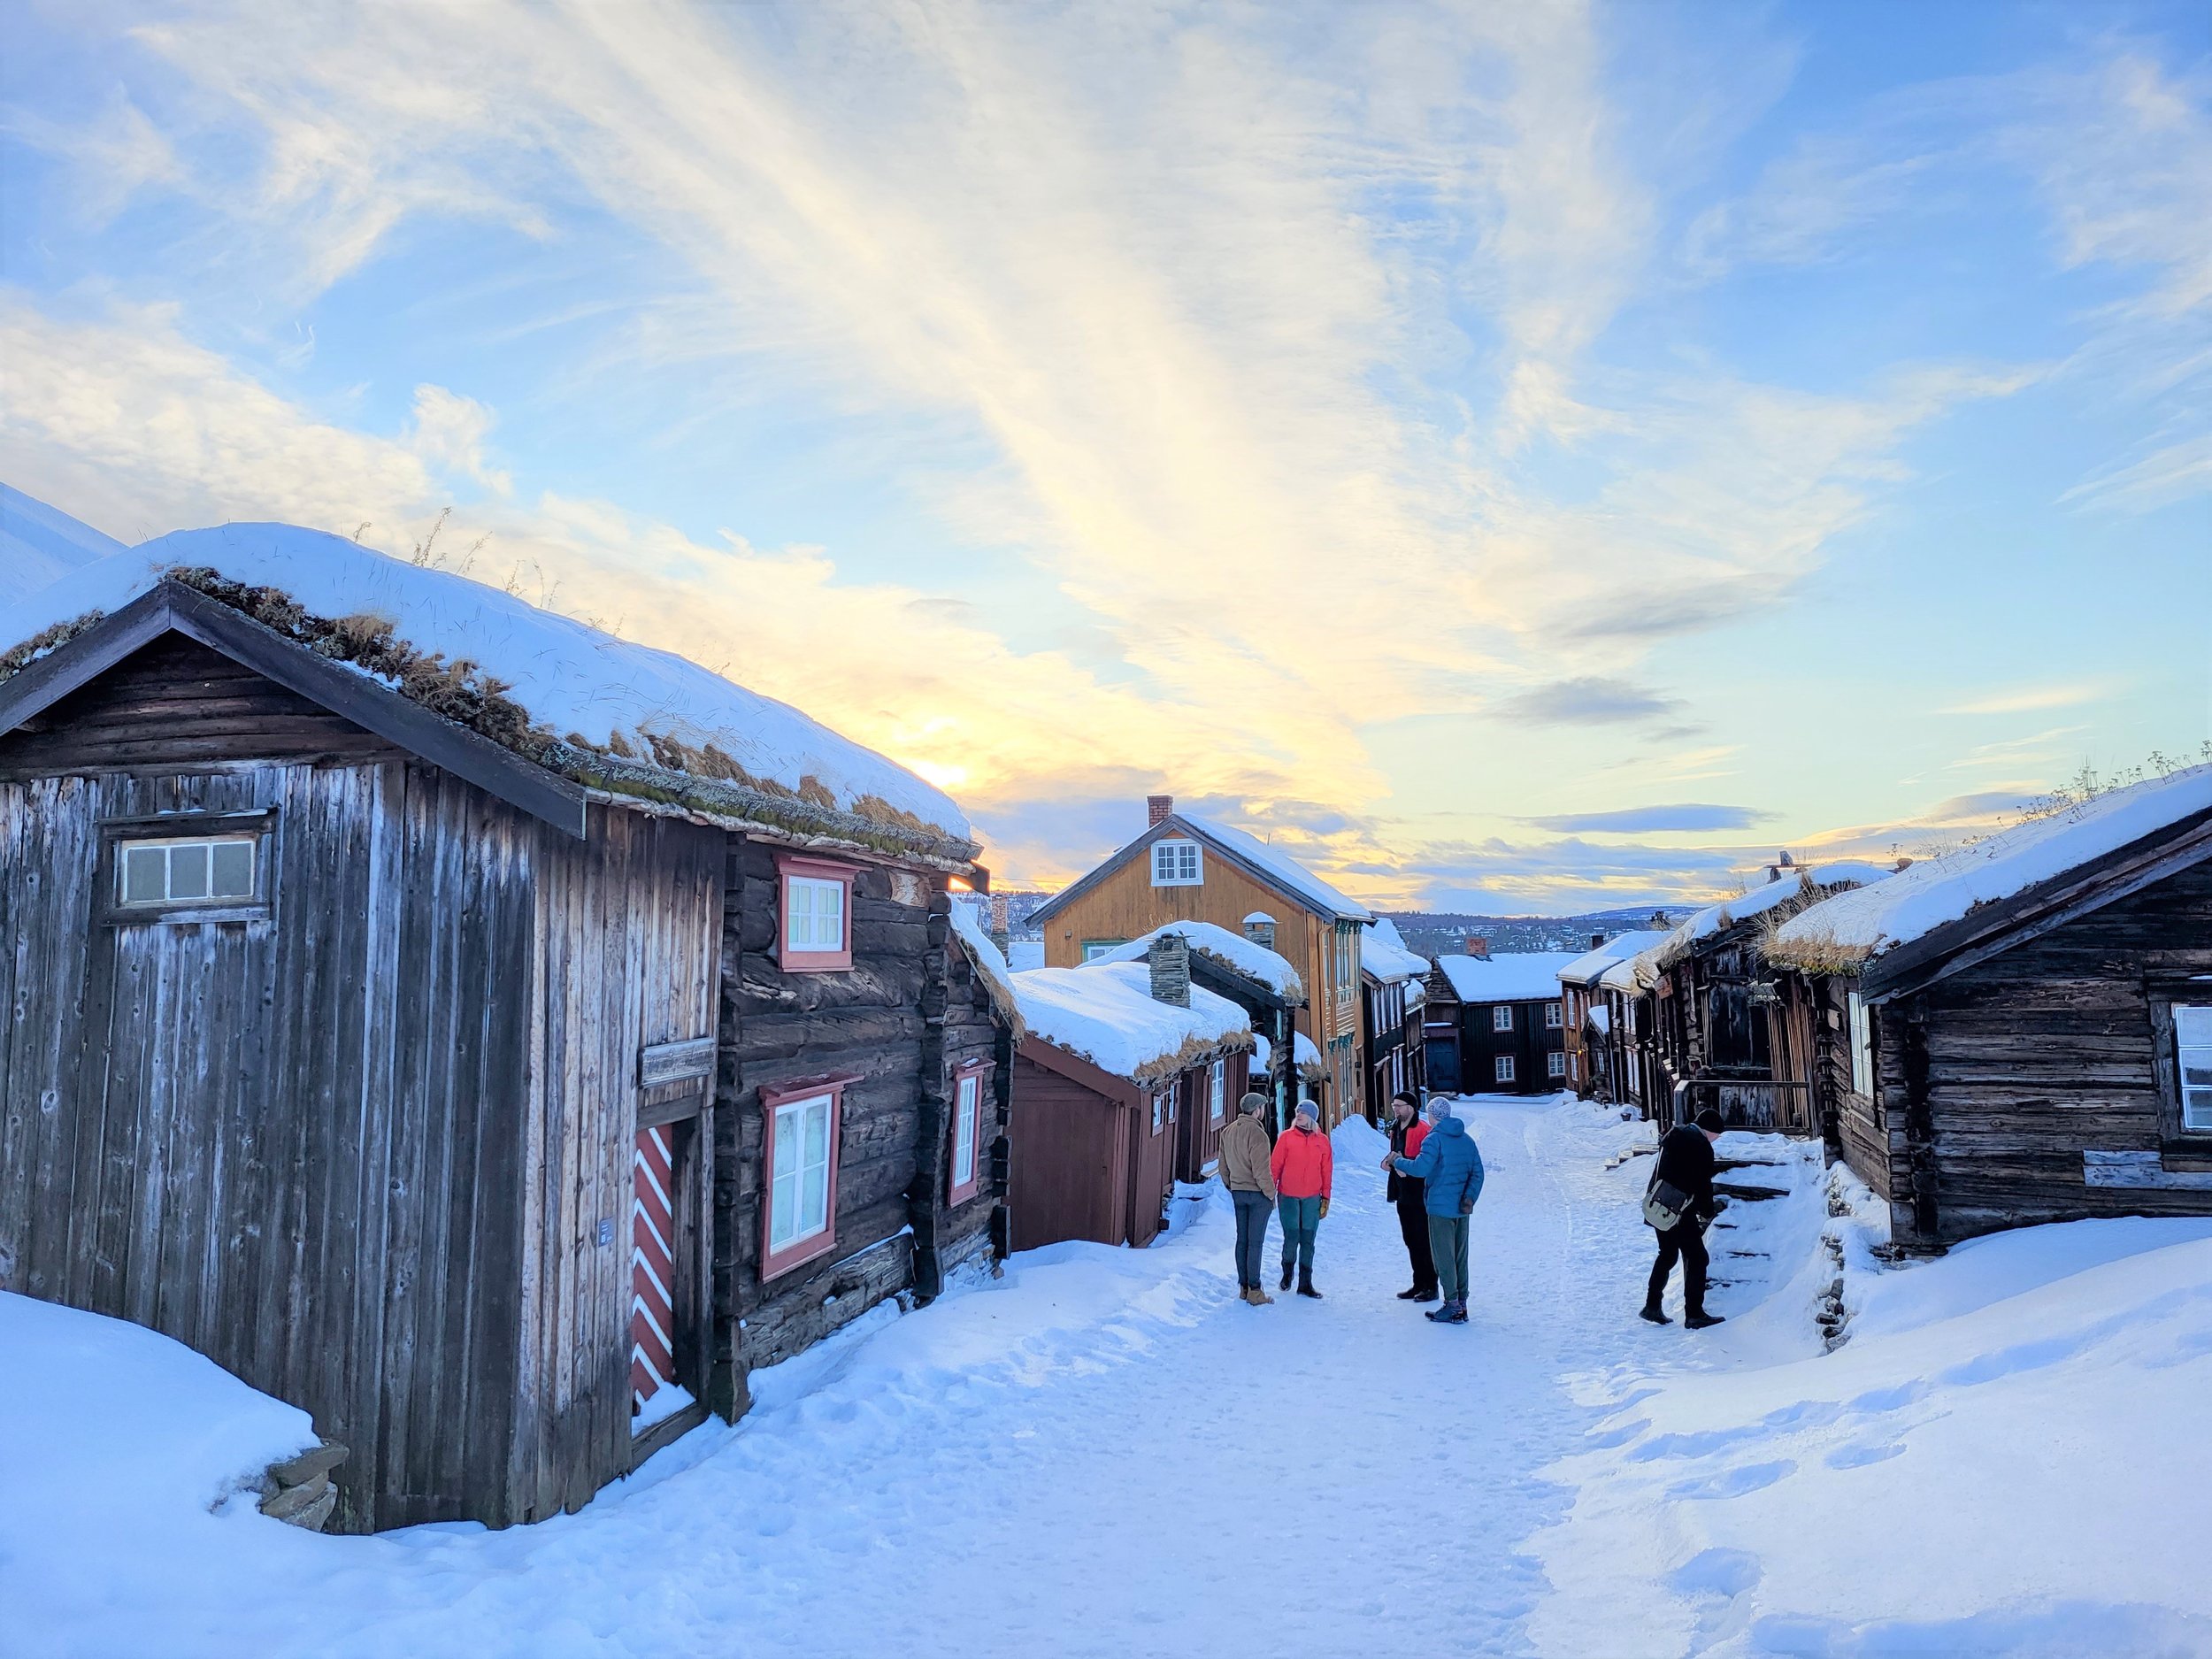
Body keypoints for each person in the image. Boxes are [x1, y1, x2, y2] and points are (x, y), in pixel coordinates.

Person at [1390, 1099, 1484, 1325]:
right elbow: (1478, 1173)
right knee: (1461, 1257)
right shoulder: (1466, 1140)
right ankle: (1462, 1303)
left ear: (1432, 1115)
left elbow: (1421, 1168)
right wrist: (1469, 1198)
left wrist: (1399, 1161)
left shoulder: (1434, 1139)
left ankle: (1451, 1304)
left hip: (1440, 1208)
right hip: (1462, 1209)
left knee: (1444, 1257)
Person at [1642, 1107, 1725, 1329]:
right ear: (1710, 1131)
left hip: (1658, 1204)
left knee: (1667, 1254)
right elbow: (1702, 1184)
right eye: (1717, 1135)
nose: (1717, 1139)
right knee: (1698, 1258)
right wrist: (1707, 1211)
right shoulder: (1701, 1146)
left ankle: (1652, 1306)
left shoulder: (1675, 1134)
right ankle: (1695, 1314)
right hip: (1680, 1211)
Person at [1217, 1091, 1279, 1305]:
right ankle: (1255, 1290)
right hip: (1257, 1195)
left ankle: (1243, 1287)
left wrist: (1232, 1186)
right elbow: (1262, 1171)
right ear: (1257, 1110)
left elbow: (1222, 1167)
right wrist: (1271, 1194)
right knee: (1255, 1243)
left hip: (1238, 1193)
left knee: (1241, 1240)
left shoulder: (1228, 1132)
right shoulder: (1258, 1135)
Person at [1377, 1092, 1438, 1302]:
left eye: (1399, 1105)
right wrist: (1388, 1163)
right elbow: (1395, 1154)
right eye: (1394, 1105)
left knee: (1423, 1241)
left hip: (1419, 1193)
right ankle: (1418, 1283)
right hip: (1402, 1192)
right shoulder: (1395, 1128)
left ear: (1411, 1107)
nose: (1395, 1109)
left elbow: (1428, 1162)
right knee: (1410, 1240)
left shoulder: (1422, 1130)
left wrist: (1406, 1168)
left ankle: (1430, 1285)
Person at [1270, 1101, 1333, 1298]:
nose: (1299, 1115)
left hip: (1312, 1197)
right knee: (1291, 1237)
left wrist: (1326, 1197)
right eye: (1298, 1112)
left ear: (1312, 1117)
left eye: (1304, 1113)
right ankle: (1287, 1274)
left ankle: (1305, 1283)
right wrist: (1271, 1190)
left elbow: (1327, 1170)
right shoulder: (1286, 1138)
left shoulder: (1322, 1141)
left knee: (1308, 1239)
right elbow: (1275, 1166)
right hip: (1288, 1196)